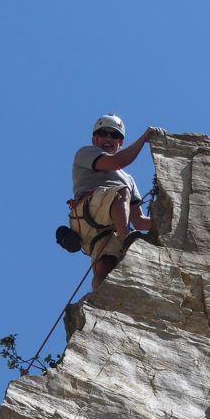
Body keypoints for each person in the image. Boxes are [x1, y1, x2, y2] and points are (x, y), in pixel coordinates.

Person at [70, 115, 165, 291]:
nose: (108, 138)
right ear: (94, 139)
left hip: (107, 224)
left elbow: (139, 221)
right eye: (103, 133)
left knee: (105, 265)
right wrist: (144, 139)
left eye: (115, 136)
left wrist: (168, 223)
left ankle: (99, 300)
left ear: (120, 143)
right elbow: (117, 161)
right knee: (121, 193)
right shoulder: (85, 154)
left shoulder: (128, 179)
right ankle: (127, 240)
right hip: (88, 212)